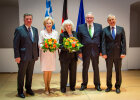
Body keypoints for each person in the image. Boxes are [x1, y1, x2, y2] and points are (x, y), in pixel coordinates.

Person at [13, 13, 39, 98]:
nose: (29, 20)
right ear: (24, 20)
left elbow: (35, 43)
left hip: (32, 56)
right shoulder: (19, 30)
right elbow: (16, 44)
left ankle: (28, 89)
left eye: (30, 19)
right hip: (22, 57)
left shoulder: (35, 30)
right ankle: (20, 91)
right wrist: (17, 56)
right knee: (21, 74)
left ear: (32, 20)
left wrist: (36, 55)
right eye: (27, 19)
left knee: (30, 74)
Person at [102, 14, 126, 93]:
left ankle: (118, 86)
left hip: (118, 54)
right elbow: (103, 43)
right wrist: (104, 53)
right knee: (109, 71)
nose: (112, 21)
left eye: (113, 19)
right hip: (108, 55)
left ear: (115, 20)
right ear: (108, 21)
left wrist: (123, 52)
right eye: (110, 20)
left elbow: (124, 42)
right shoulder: (105, 30)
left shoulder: (121, 29)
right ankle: (109, 86)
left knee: (118, 71)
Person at [78, 12, 102, 91]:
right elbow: (79, 40)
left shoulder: (99, 26)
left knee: (96, 68)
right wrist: (79, 51)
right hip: (85, 51)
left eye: (91, 18)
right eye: (88, 18)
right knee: (85, 68)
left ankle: (97, 84)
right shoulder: (81, 27)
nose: (89, 19)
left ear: (93, 18)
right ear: (85, 18)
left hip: (96, 50)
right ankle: (84, 84)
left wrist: (101, 51)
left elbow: (101, 40)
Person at [38, 17, 59, 95]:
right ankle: (46, 88)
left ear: (52, 24)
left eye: (50, 23)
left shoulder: (56, 33)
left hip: (52, 54)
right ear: (44, 24)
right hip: (45, 54)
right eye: (47, 23)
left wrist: (54, 46)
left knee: (50, 70)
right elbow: (40, 44)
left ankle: (49, 86)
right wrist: (47, 45)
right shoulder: (42, 32)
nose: (48, 24)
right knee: (46, 70)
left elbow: (57, 44)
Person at [59, 19, 78, 93]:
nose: (68, 27)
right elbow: (60, 46)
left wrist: (76, 47)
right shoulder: (62, 35)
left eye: (69, 25)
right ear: (64, 27)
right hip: (64, 57)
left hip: (73, 56)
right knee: (64, 73)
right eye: (66, 26)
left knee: (73, 72)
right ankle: (63, 87)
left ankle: (72, 86)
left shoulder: (75, 33)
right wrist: (68, 47)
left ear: (71, 26)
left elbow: (78, 43)